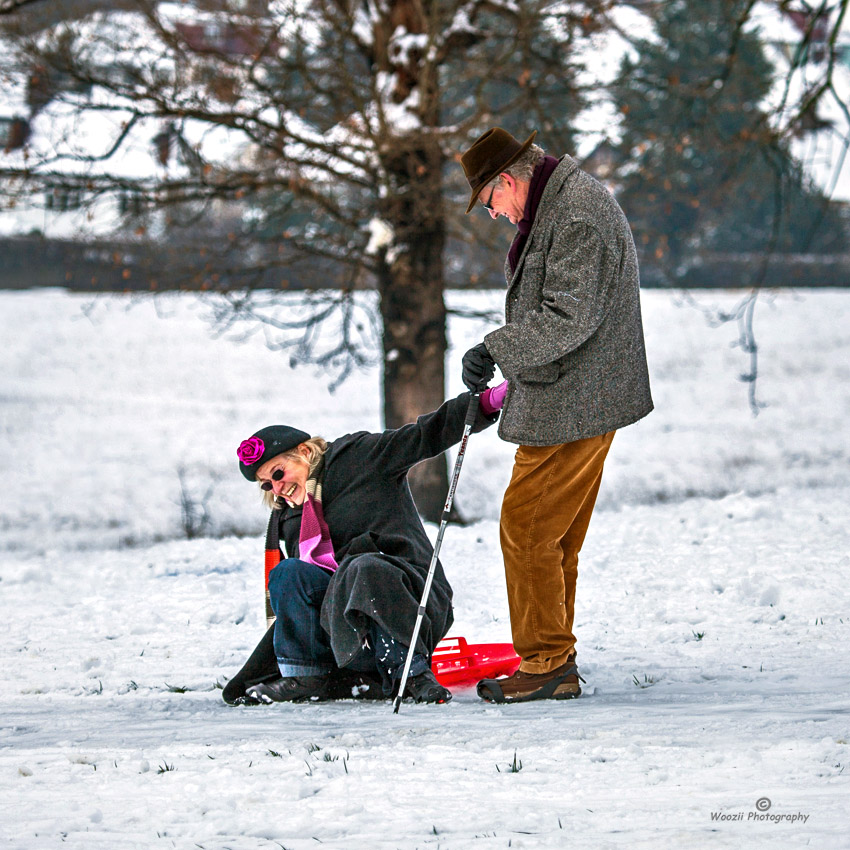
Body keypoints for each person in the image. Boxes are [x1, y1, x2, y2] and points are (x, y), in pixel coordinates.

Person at [458, 127, 653, 704]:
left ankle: (545, 663)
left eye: (490, 202)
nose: (494, 214)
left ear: (509, 182)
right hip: (573, 393)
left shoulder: (576, 215)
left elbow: (569, 317)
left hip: (578, 398)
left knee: (526, 528)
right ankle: (553, 656)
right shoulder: (559, 204)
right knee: (552, 535)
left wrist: (496, 348)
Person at [221, 391, 500, 706]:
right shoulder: (289, 516)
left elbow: (424, 435)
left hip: (407, 600)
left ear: (303, 452)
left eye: (278, 473)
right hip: (342, 629)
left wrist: (486, 403)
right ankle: (307, 676)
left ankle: (410, 673)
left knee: (362, 566)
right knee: (288, 573)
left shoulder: (359, 458)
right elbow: (299, 601)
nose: (277, 488)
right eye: (266, 484)